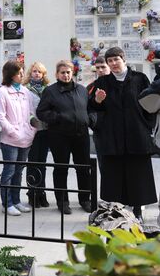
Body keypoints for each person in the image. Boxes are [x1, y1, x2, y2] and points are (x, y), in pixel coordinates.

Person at [89, 46, 157, 221]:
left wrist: (146, 126)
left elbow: (150, 103)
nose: (113, 64)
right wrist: (97, 101)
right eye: (109, 61)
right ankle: (117, 212)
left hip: (137, 136)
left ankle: (137, 212)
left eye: (116, 60)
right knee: (115, 177)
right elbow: (93, 108)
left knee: (137, 176)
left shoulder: (140, 79)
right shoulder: (102, 82)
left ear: (124, 59)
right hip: (113, 138)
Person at [37, 60, 92, 215]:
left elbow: (89, 109)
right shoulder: (50, 91)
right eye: (63, 72)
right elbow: (41, 112)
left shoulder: (82, 90)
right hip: (59, 136)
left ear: (72, 73)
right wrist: (59, 117)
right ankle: (62, 201)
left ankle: (85, 199)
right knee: (61, 168)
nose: (66, 75)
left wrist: (89, 119)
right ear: (57, 74)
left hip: (81, 135)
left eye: (68, 72)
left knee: (83, 168)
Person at [0, 61, 37, 216]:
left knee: (19, 171)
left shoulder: (25, 91)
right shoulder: (3, 91)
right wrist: (13, 132)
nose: (22, 75)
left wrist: (31, 130)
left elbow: (31, 114)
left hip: (26, 138)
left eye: (22, 72)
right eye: (19, 72)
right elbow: (0, 116)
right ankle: (7, 203)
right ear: (10, 74)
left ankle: (16, 201)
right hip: (10, 140)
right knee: (9, 171)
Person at [23, 62, 50, 208]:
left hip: (45, 130)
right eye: (34, 71)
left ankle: (42, 192)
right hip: (31, 129)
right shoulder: (26, 90)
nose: (37, 74)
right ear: (30, 73)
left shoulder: (48, 89)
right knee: (32, 162)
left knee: (42, 163)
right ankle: (32, 193)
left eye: (40, 72)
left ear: (44, 74)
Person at [87, 56, 110, 172]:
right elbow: (88, 108)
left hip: (118, 131)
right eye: (98, 68)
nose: (100, 70)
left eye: (103, 67)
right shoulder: (91, 87)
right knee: (104, 167)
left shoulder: (117, 83)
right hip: (100, 132)